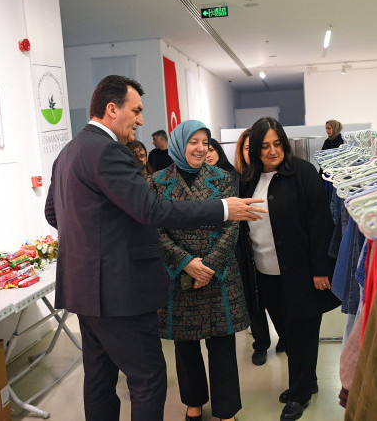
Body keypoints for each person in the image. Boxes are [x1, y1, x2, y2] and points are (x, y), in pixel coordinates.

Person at [44, 75, 265, 421]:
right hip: (118, 292)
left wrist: (96, 244)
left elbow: (53, 214)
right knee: (147, 379)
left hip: (84, 290)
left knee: (99, 380)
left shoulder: (69, 152)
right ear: (112, 109)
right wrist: (223, 208)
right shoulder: (108, 151)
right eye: (136, 111)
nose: (141, 120)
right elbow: (152, 210)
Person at [240, 117, 340, 421]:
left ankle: (299, 394)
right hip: (265, 274)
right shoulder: (248, 180)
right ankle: (307, 381)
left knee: (302, 334)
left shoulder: (303, 173)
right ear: (255, 150)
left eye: (277, 144)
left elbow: (320, 223)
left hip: (300, 273)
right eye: (265, 146)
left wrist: (320, 269)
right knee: (286, 332)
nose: (272, 151)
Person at [148, 120, 248, 421]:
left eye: (205, 142)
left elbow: (232, 225)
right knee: (186, 345)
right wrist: (186, 263)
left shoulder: (222, 177)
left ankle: (226, 409)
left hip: (218, 274)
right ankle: (193, 401)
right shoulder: (157, 182)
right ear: (179, 143)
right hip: (179, 274)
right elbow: (154, 228)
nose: (201, 148)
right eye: (194, 142)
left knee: (222, 345)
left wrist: (209, 265)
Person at [234, 129, 287, 366]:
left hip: (276, 259)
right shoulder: (241, 181)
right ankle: (261, 344)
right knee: (255, 304)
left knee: (278, 304)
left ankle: (284, 337)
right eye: (247, 148)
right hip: (248, 256)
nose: (251, 152)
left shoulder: (278, 177)